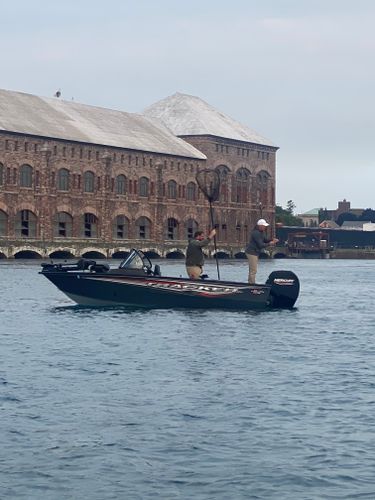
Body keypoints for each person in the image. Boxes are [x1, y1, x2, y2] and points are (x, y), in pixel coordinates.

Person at [245, 219, 279, 284]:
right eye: (264, 226)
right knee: (253, 270)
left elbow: (265, 240)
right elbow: (260, 245)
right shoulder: (256, 233)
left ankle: (250, 282)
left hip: (255, 252)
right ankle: (252, 284)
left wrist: (272, 239)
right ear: (260, 226)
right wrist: (270, 243)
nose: (265, 227)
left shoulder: (261, 232)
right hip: (252, 252)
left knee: (252, 269)